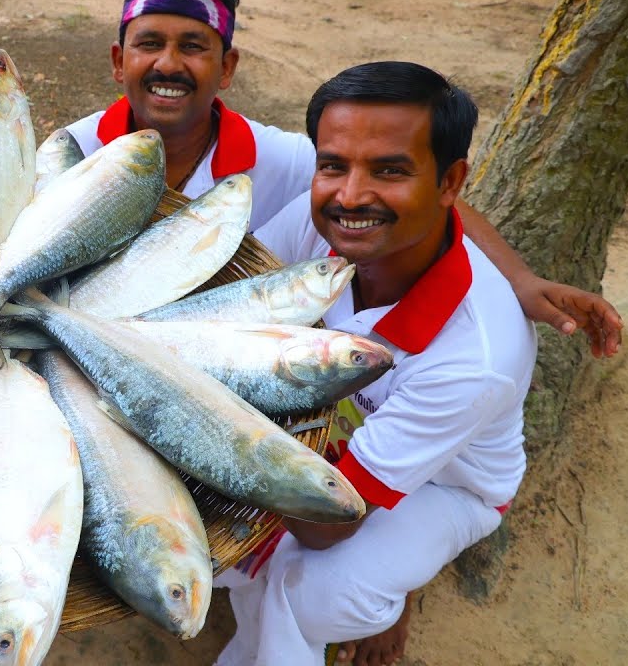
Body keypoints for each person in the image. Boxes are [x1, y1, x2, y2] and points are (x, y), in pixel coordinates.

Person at [65, 0, 622, 358]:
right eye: (148, 44)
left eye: (193, 47)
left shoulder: (278, 157)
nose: (168, 64)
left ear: (227, 68)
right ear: (119, 62)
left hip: (216, 349)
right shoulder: (74, 153)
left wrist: (521, 283)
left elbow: (424, 199)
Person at [215, 61, 536, 666]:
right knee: (241, 547)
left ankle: (361, 604)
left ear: (450, 182)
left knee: (309, 588)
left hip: (446, 487)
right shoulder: (330, 235)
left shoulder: (473, 357)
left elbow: (325, 522)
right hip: (336, 435)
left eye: (389, 171)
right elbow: (232, 300)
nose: (351, 195)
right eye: (333, 165)